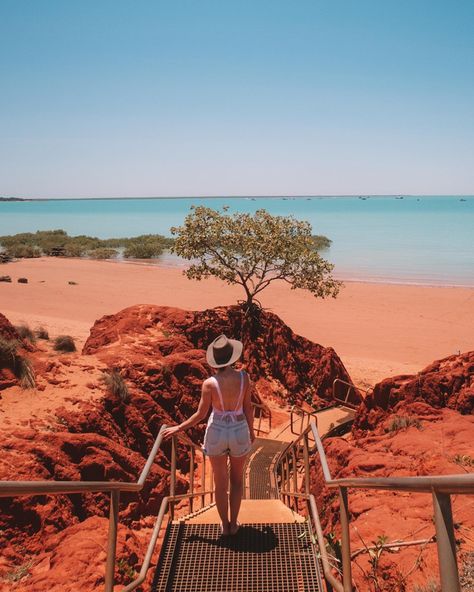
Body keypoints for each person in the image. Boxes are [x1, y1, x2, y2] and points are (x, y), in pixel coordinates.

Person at [163, 334, 255, 535]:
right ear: (232, 357)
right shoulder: (244, 377)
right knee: (237, 481)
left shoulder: (209, 384)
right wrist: (252, 431)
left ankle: (225, 526)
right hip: (239, 430)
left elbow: (201, 414)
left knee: (220, 483)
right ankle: (234, 524)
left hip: (217, 432)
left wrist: (179, 428)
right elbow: (248, 408)